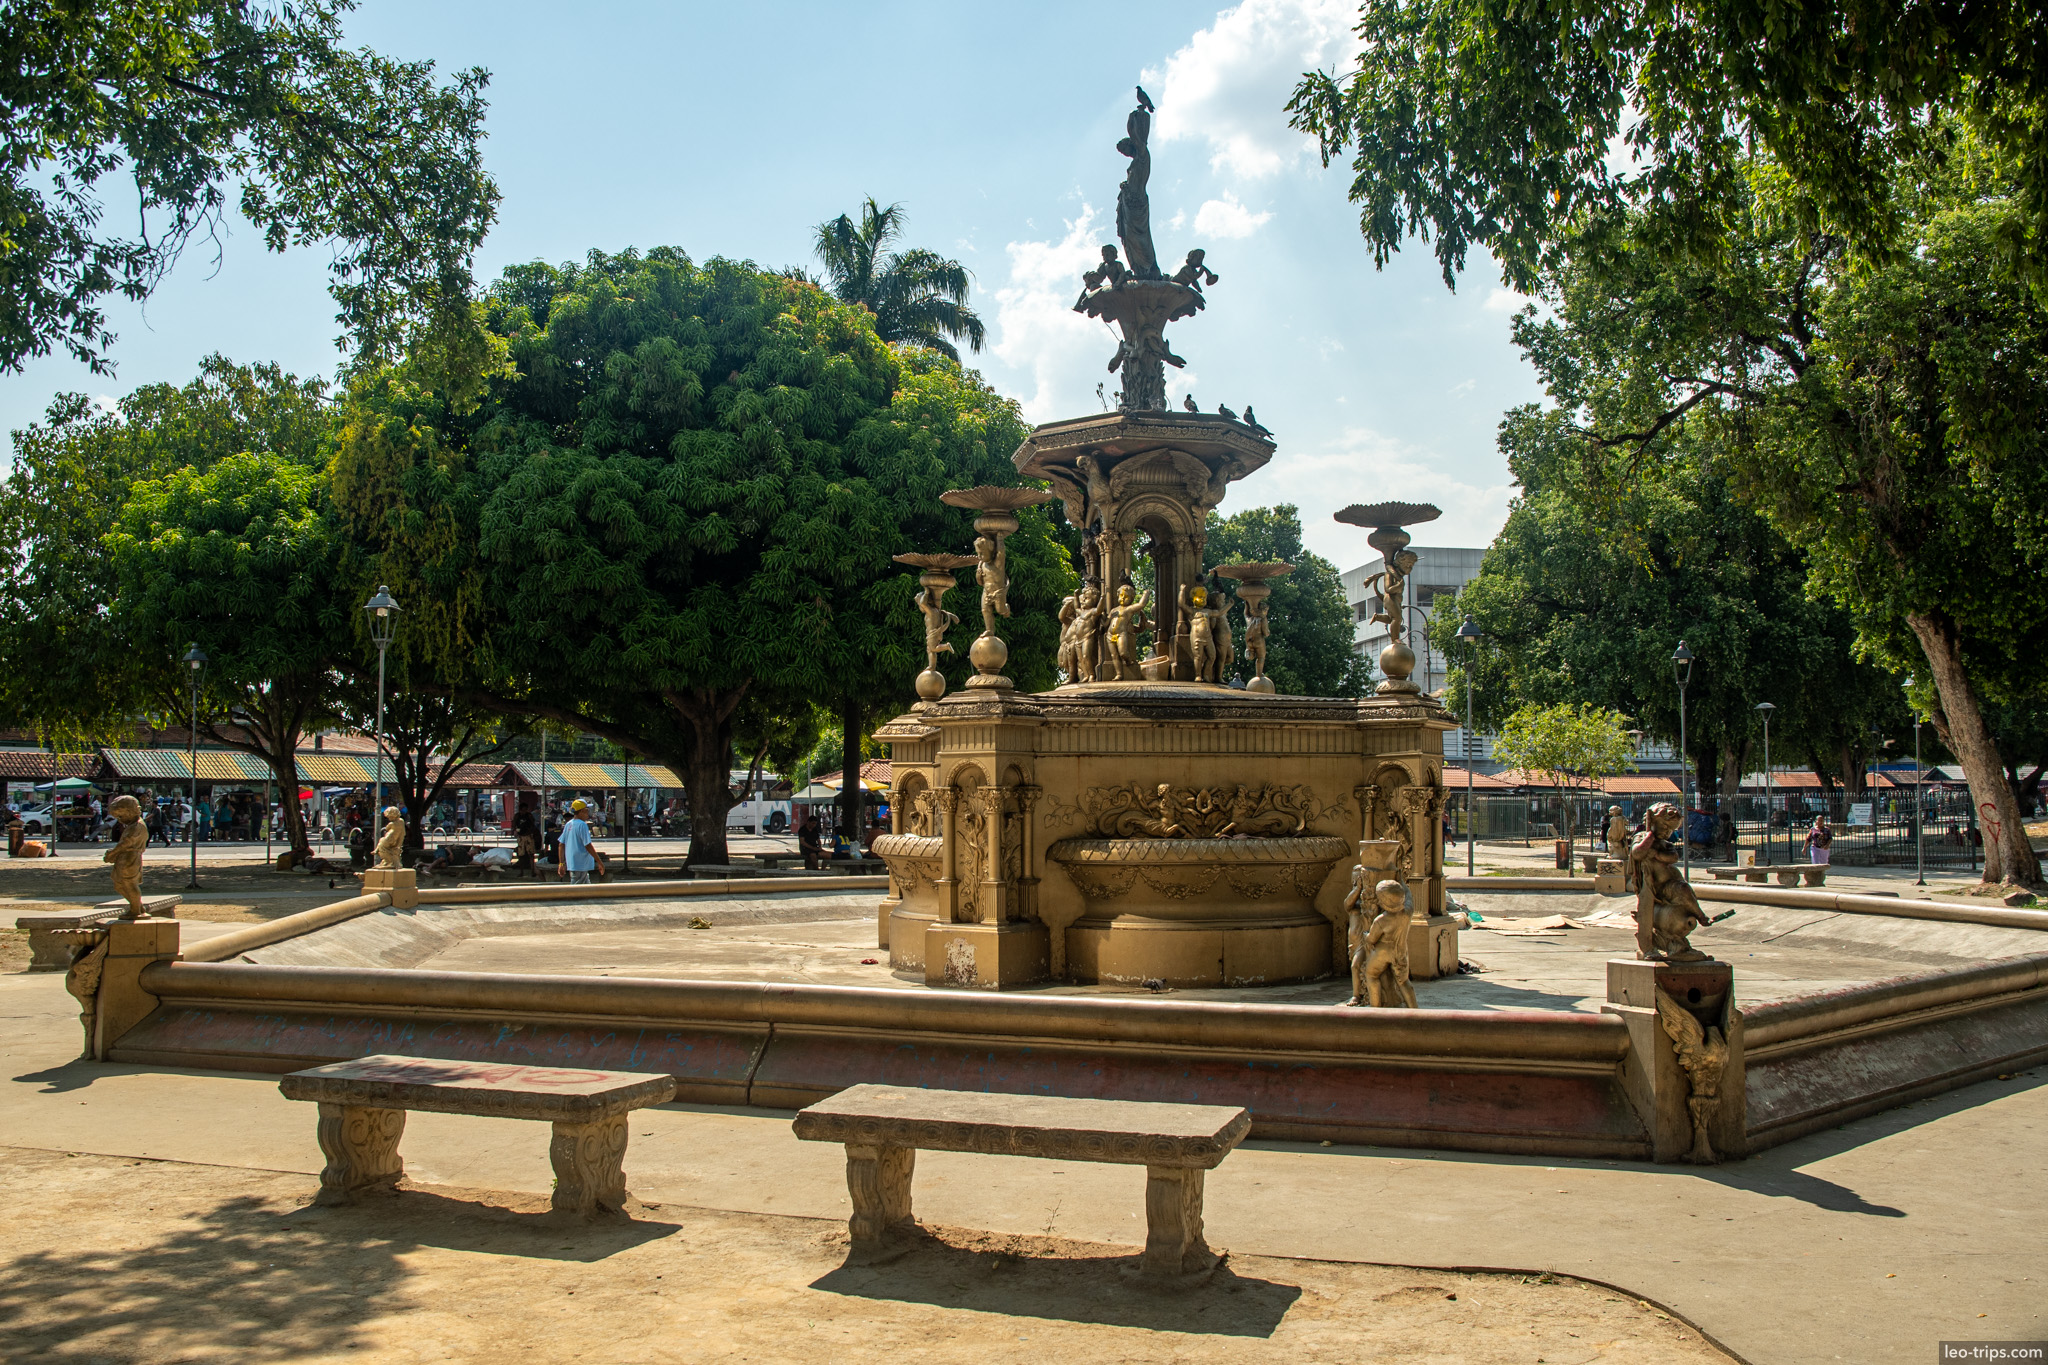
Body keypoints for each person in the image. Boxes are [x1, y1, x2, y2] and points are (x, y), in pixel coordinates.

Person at [559, 798, 596, 884]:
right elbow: (588, 845)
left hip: (574, 862)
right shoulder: (582, 825)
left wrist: (561, 863)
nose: (588, 813)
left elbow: (561, 844)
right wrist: (599, 861)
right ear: (582, 811)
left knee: (586, 886)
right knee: (577, 888)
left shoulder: (568, 824)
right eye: (587, 810)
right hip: (581, 862)